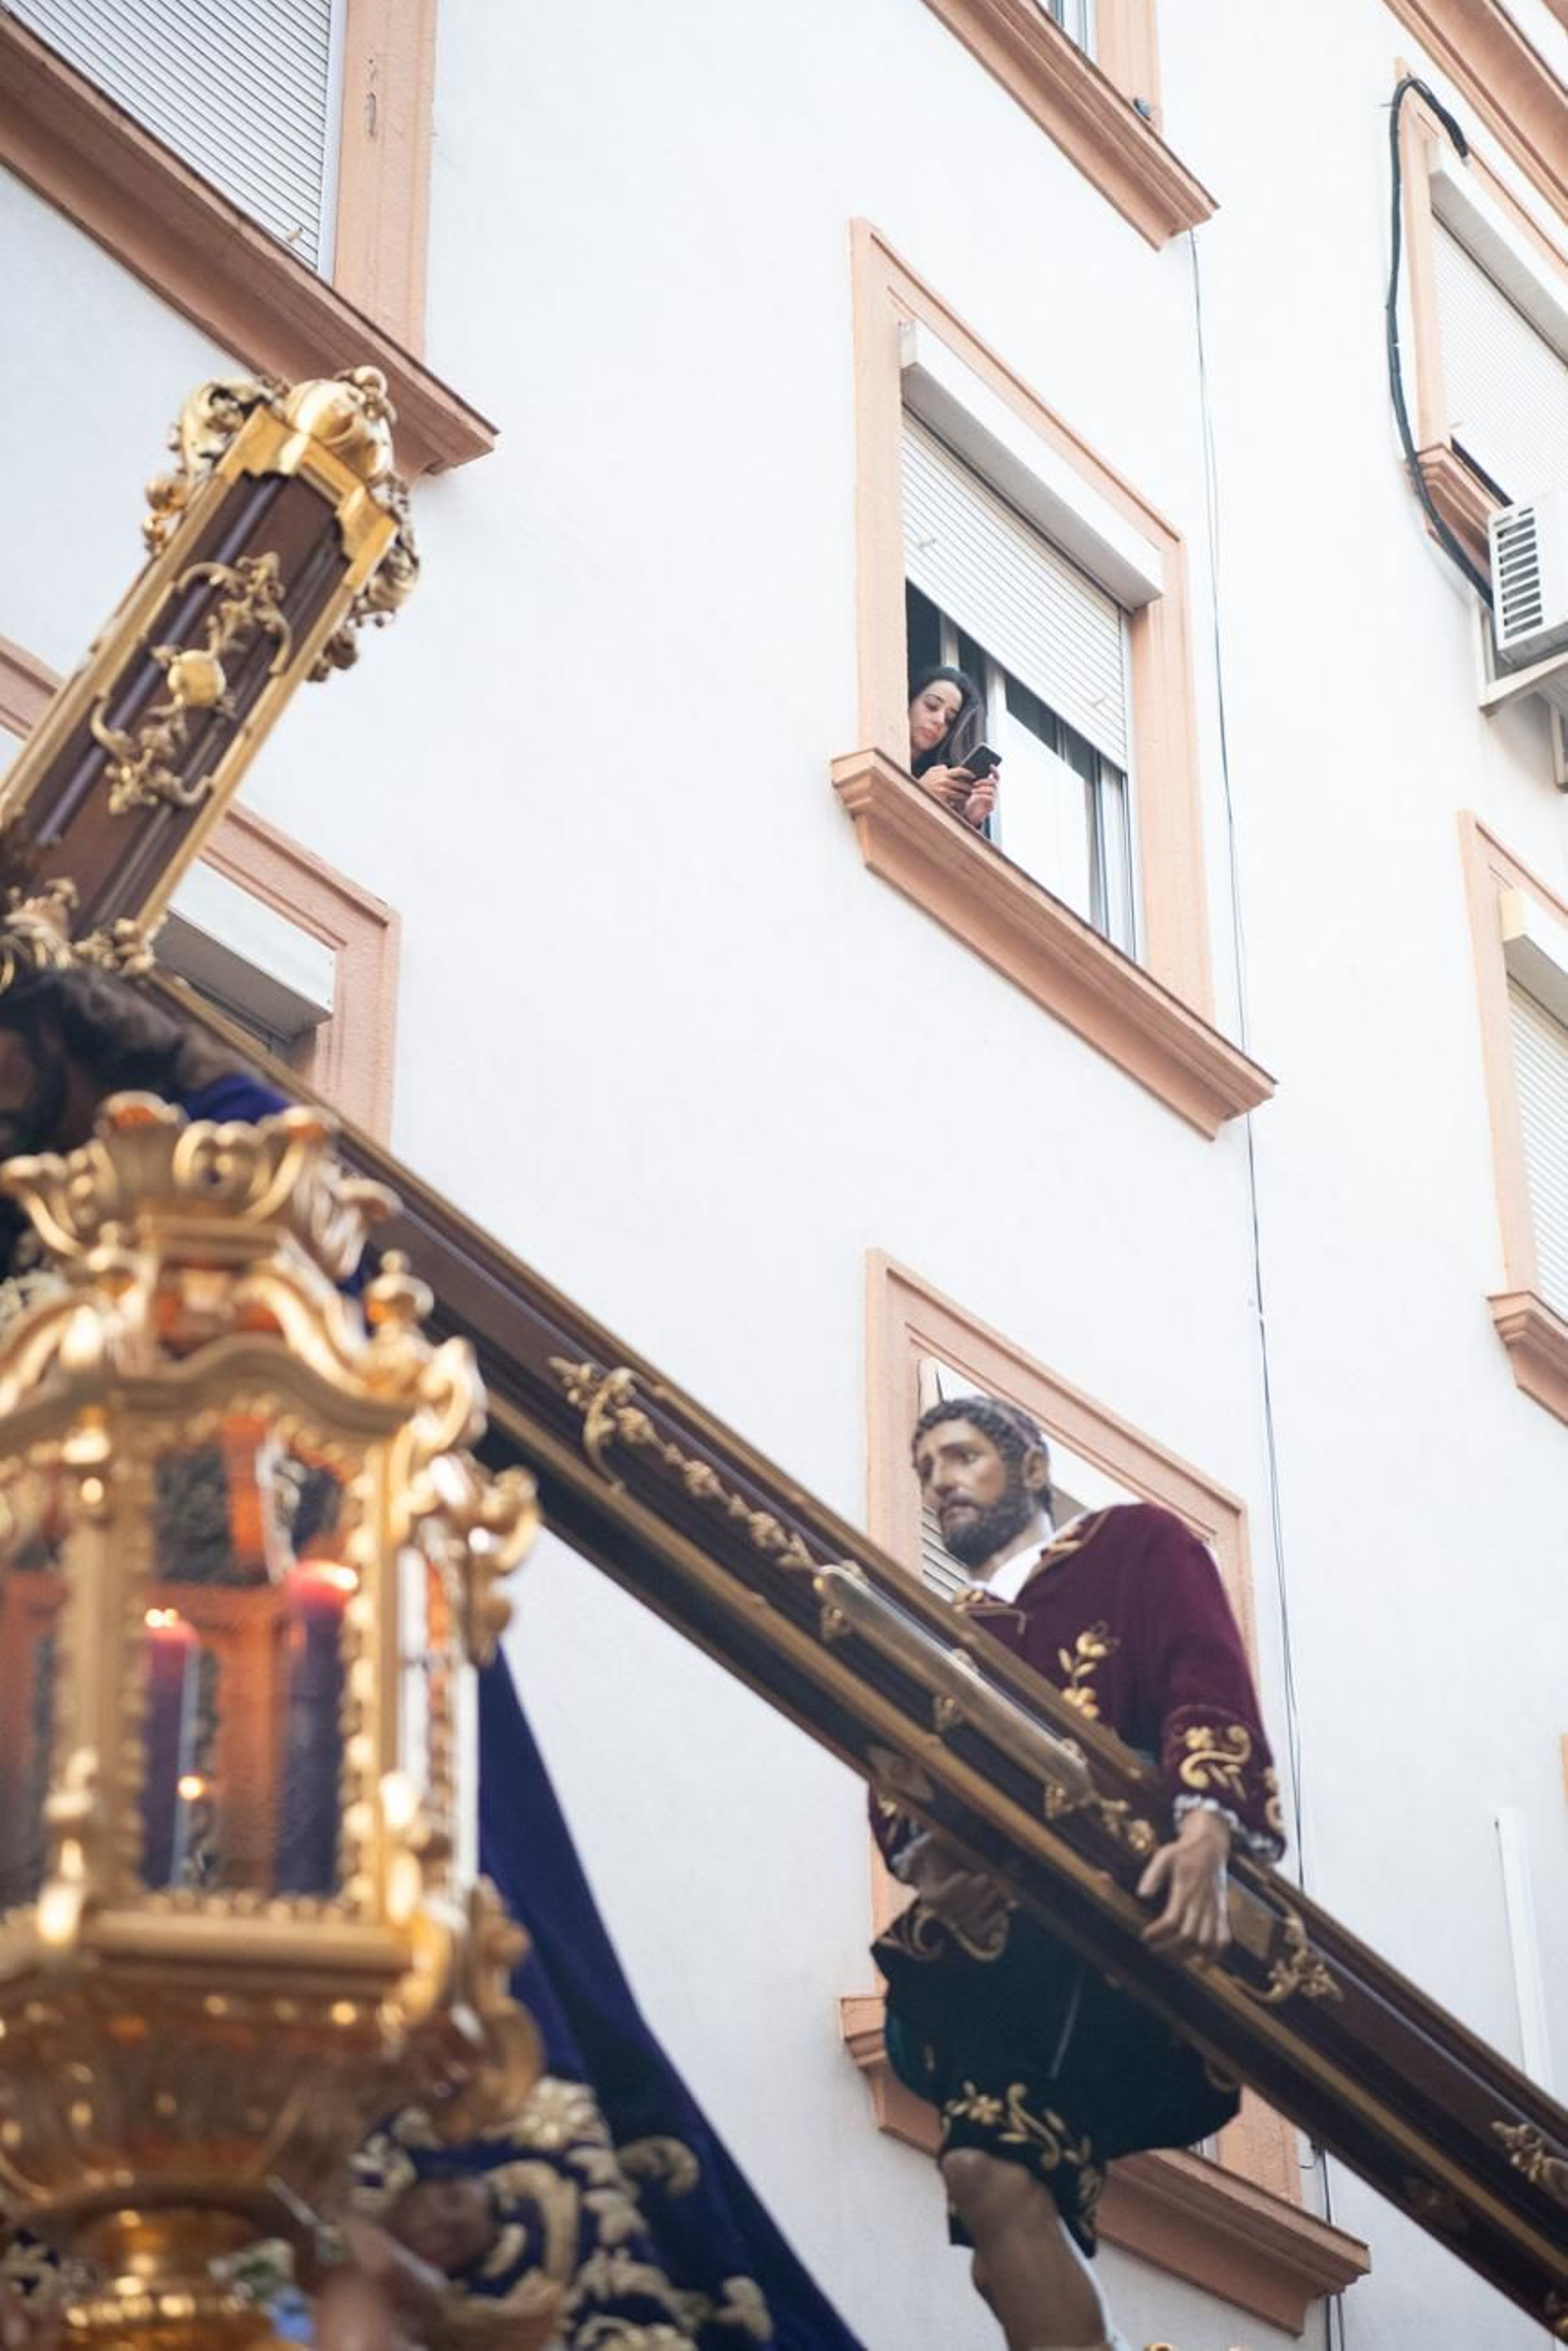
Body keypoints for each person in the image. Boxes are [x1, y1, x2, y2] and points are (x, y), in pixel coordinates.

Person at [873, 1394, 1284, 2351]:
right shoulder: (942, 1632)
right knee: (994, 2232)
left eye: (961, 1455)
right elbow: (893, 1772)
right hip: (996, 1949)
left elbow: (1202, 1669)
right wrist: (933, 1862)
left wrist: (1207, 1826)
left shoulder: (1133, 1545)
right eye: (926, 1468)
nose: (939, 1481)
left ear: (1030, 1468)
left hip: (1107, 1922)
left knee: (990, 2176)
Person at [907, 664, 997, 830]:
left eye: (949, 719)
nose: (939, 720)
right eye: (931, 705)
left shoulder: (942, 786)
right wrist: (920, 792)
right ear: (909, 700)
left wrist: (970, 818)